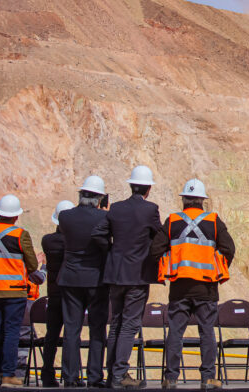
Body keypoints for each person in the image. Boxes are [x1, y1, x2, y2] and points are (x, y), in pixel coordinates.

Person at [151, 178, 235, 390]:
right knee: (206, 331)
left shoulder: (172, 221)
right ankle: (207, 378)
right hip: (206, 287)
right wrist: (218, 267)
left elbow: (155, 250)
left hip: (179, 287)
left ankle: (170, 378)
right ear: (202, 201)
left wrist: (168, 266)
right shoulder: (214, 221)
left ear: (184, 200)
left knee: (175, 332)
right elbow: (229, 248)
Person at [93, 166, 161, 389]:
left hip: (115, 273)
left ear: (131, 185)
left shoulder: (116, 209)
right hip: (137, 275)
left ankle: (113, 372)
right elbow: (160, 236)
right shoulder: (150, 210)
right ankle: (119, 374)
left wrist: (112, 251)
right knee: (130, 325)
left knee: (116, 324)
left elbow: (98, 234)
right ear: (148, 189)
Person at [0, 194, 42, 388]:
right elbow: (32, 264)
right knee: (11, 332)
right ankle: (7, 376)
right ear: (15, 216)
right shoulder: (20, 235)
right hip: (14, 293)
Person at [58, 177, 110, 388]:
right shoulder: (103, 218)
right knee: (97, 329)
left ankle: (70, 377)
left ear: (81, 195)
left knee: (71, 330)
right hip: (96, 279)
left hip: (70, 278)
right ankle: (95, 376)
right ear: (99, 198)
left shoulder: (65, 216)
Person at [39, 199, 74, 387]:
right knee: (70, 334)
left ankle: (47, 373)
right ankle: (70, 374)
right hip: (70, 295)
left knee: (51, 335)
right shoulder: (73, 242)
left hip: (53, 294)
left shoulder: (47, 240)